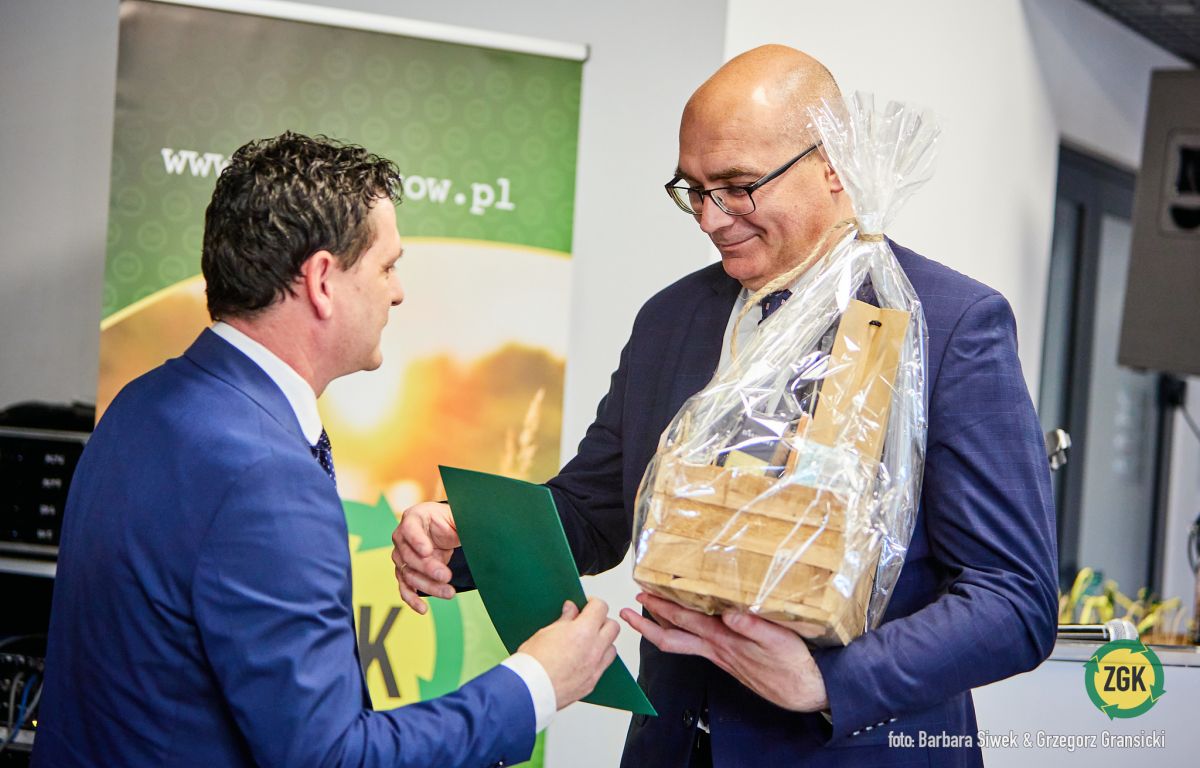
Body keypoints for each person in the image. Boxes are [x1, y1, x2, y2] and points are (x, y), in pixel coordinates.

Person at [394, 45, 1058, 768]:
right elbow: (595, 513)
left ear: (833, 163)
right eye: (693, 189)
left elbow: (1015, 599)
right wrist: (470, 537)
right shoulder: (671, 320)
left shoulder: (947, 324)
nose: (710, 219)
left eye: (739, 187)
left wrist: (829, 682)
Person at [35, 132, 619, 768]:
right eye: (387, 267)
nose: (398, 291)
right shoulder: (266, 477)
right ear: (321, 281)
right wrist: (535, 685)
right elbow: (331, 758)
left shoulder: (139, 403)